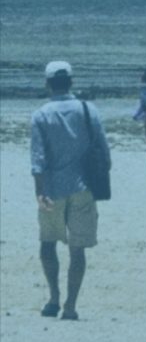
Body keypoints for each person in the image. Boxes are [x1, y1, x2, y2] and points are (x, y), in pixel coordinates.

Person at [31, 61, 109, 320]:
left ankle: (53, 297)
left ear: (48, 84)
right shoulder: (88, 110)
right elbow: (103, 151)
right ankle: (70, 306)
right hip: (83, 187)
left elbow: (38, 158)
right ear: (71, 82)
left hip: (52, 189)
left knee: (47, 243)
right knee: (77, 249)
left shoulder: (41, 114)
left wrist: (39, 191)